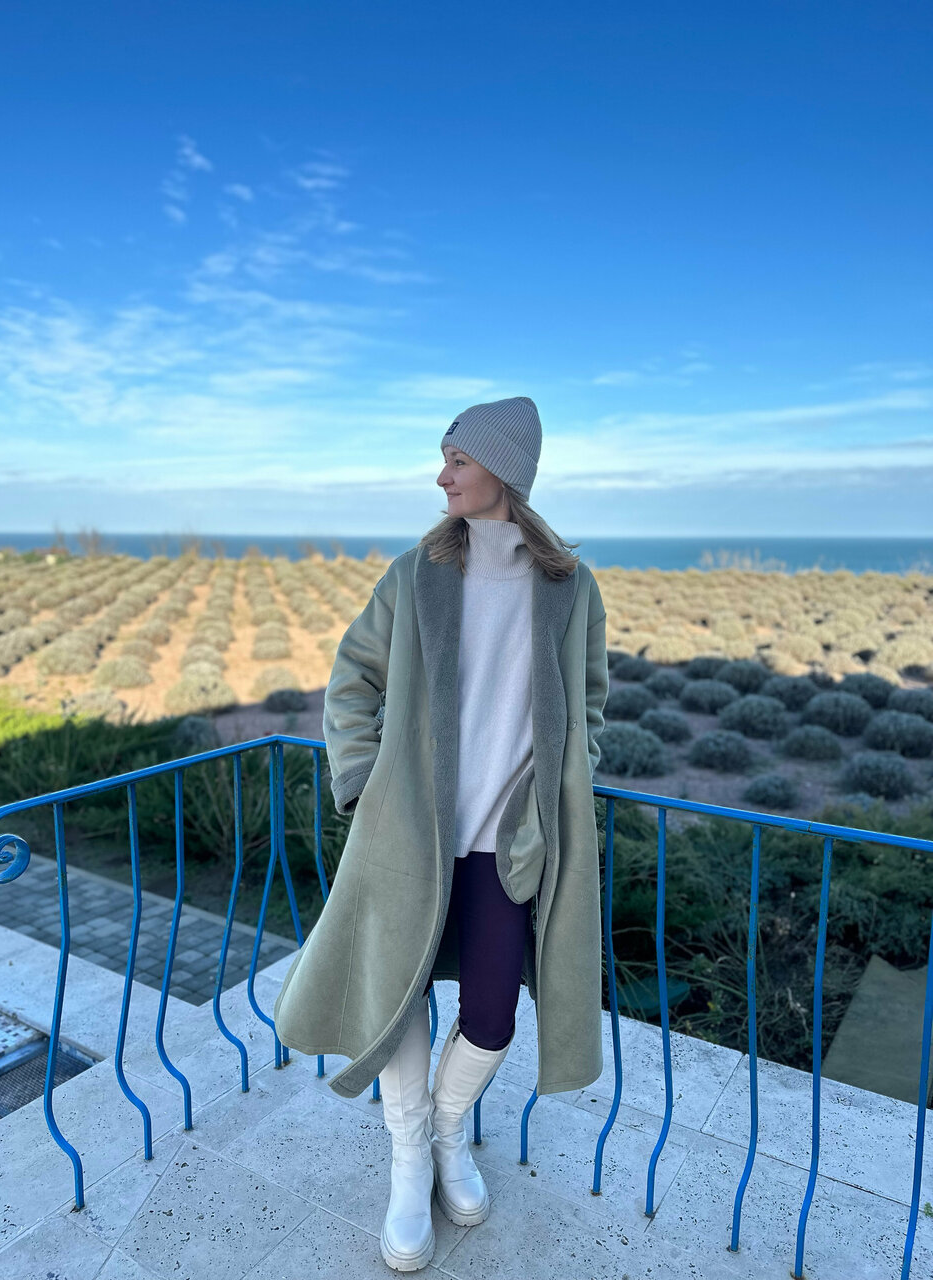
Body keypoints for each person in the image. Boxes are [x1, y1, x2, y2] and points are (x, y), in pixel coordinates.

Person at [273, 395, 609, 1271]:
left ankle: (450, 1132)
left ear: (505, 468)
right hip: (409, 835)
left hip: (509, 840)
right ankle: (408, 1157)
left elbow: (591, 701)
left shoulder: (569, 586)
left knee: (492, 1017)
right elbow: (352, 681)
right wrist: (360, 780)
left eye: (457, 459)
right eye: (445, 458)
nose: (442, 475)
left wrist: (564, 784)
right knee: (399, 996)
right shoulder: (416, 573)